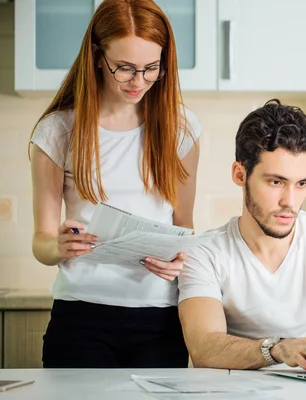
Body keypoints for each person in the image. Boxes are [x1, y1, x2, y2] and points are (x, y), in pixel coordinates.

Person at [29, 0, 200, 368]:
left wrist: (178, 262)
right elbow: (40, 244)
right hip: (80, 319)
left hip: (160, 320)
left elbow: (183, 226)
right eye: (124, 68)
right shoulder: (57, 132)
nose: (139, 82)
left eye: (151, 68)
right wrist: (59, 244)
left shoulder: (181, 130)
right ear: (96, 56)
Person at [178, 99, 306, 371]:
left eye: (302, 184)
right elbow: (204, 347)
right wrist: (277, 349)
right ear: (240, 174)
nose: (290, 201)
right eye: (276, 182)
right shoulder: (205, 253)